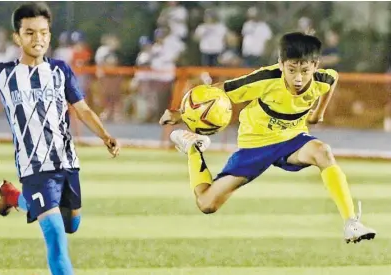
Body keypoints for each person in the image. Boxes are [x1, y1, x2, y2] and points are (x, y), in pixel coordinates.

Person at [159, 32, 376, 244]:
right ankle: (193, 148)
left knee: (323, 151)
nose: (298, 78)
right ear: (281, 64)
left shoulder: (322, 79)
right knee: (207, 204)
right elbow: (219, 91)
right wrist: (180, 113)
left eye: (305, 70)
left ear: (315, 66)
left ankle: (351, 223)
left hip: (292, 140)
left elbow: (332, 80)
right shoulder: (266, 79)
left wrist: (318, 113)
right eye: (291, 70)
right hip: (255, 145)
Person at [0, 3, 120, 275]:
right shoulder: (4, 74)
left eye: (43, 33)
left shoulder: (60, 70)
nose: (37, 39)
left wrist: (105, 135)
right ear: (17, 37)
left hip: (67, 163)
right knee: (56, 238)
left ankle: (15, 198)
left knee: (71, 224)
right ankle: (23, 195)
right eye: (29, 33)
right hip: (34, 169)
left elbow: (81, 108)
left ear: (49, 35)